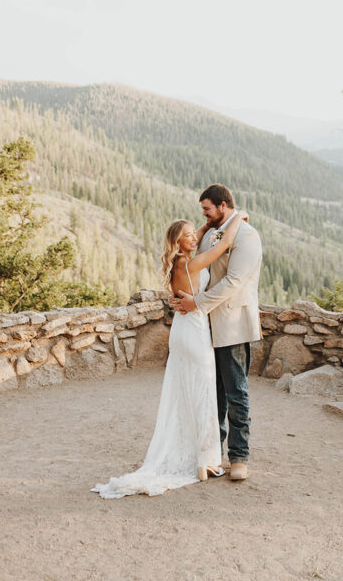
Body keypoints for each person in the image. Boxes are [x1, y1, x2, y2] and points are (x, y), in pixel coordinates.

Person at [92, 211, 245, 498]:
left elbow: (197, 237)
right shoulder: (190, 262)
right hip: (195, 331)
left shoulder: (179, 260)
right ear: (177, 243)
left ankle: (202, 458)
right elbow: (223, 246)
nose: (192, 237)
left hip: (183, 329)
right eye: (186, 236)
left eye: (191, 233)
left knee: (185, 391)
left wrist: (205, 225)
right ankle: (204, 462)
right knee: (202, 392)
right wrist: (239, 216)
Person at [170, 184, 263, 482]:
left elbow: (234, 281)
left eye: (207, 210)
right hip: (204, 324)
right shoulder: (213, 231)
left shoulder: (247, 236)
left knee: (236, 392)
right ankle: (213, 454)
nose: (204, 216)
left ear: (223, 206)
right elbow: (193, 260)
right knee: (213, 393)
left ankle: (239, 457)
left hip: (232, 324)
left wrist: (194, 302)